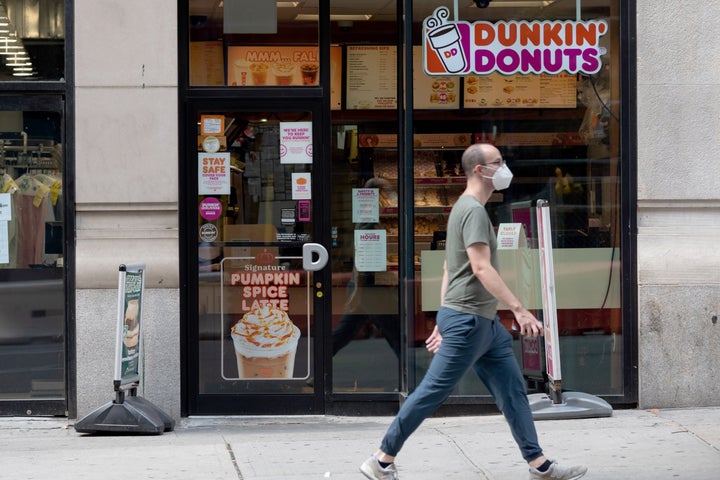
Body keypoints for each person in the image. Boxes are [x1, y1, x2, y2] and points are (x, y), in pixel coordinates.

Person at [359, 144, 587, 480]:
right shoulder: (473, 212)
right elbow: (480, 268)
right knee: (432, 391)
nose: (505, 167)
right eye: (498, 162)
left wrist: (441, 316)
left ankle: (539, 464)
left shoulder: (464, 209)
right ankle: (380, 460)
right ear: (480, 170)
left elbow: (452, 270)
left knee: (512, 392)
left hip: (481, 322)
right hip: (469, 321)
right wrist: (520, 310)